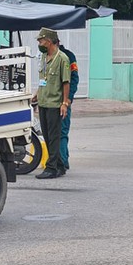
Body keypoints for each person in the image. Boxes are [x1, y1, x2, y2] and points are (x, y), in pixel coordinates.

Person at [31, 27, 70, 179]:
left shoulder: (62, 59)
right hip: (43, 102)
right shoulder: (43, 57)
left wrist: (64, 103)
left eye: (41, 40)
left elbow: (65, 82)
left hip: (55, 103)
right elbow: (43, 80)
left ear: (48, 41)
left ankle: (51, 168)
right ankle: (59, 165)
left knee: (54, 137)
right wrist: (36, 95)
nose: (39, 43)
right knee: (47, 135)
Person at [58, 41, 79, 172]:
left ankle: (63, 161)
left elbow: (74, 79)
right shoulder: (46, 57)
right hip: (50, 101)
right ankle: (61, 159)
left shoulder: (68, 56)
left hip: (63, 101)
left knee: (62, 132)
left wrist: (68, 99)